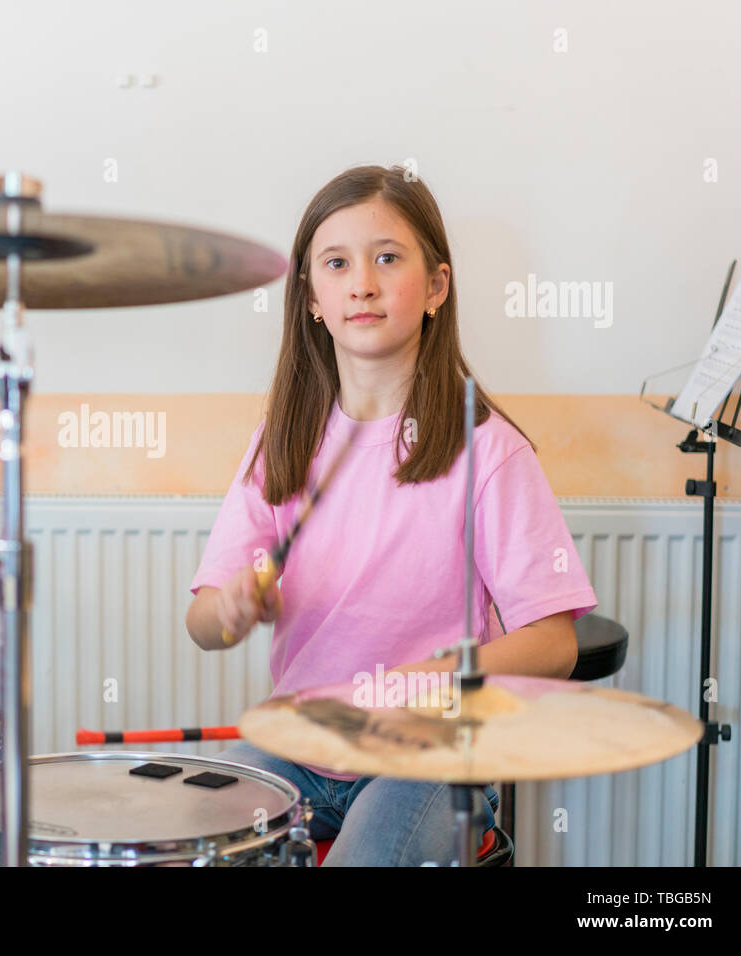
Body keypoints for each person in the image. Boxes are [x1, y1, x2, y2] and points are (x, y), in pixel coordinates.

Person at [185, 164, 598, 866]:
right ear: (311, 297)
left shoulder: (487, 448)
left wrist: (435, 675)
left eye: (386, 258)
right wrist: (227, 608)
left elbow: (553, 643)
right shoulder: (283, 440)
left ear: (436, 287)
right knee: (204, 844)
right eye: (337, 264)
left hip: (430, 750)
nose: (362, 283)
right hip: (301, 742)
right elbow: (202, 625)